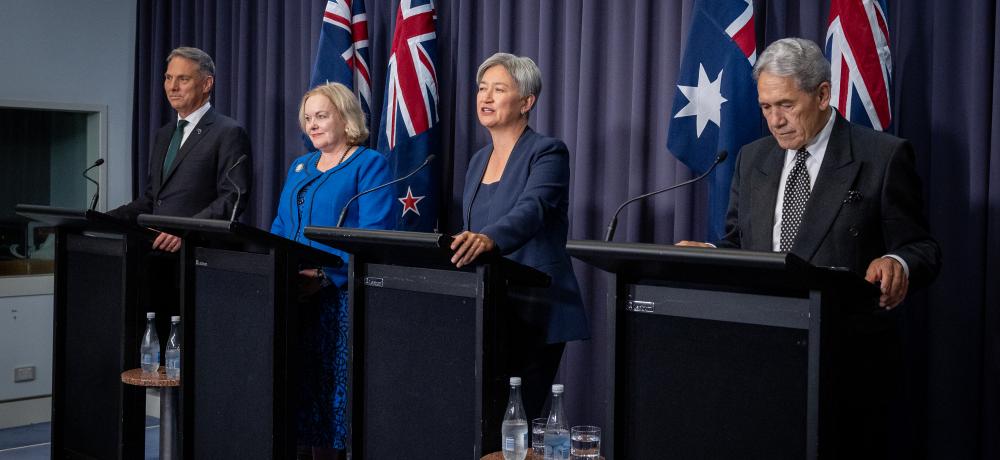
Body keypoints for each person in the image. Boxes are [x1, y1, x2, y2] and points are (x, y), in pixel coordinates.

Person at [679, 38, 941, 457]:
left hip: (844, 365)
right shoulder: (752, 158)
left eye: (786, 104)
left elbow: (921, 247)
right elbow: (739, 242)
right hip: (758, 356)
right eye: (766, 107)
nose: (775, 121)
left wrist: (898, 262)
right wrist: (709, 254)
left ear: (822, 95)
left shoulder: (882, 156)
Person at [450, 53, 590, 440]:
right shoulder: (478, 161)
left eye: (499, 89)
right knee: (480, 422)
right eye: (482, 88)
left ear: (526, 102)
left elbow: (533, 209)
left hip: (535, 308)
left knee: (515, 424)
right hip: (489, 308)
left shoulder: (548, 152)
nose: (486, 97)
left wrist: (490, 238)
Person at [270, 82, 394, 457]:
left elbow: (375, 234)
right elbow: (280, 226)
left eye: (321, 116)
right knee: (294, 397)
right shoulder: (300, 166)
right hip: (292, 295)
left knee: (330, 404)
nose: (312, 124)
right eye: (308, 118)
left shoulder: (369, 164)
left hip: (339, 302)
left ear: (345, 117)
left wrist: (326, 277)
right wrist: (277, 268)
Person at [109, 46, 252, 251]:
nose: (172, 87)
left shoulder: (228, 132)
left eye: (183, 79)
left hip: (199, 252)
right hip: (156, 251)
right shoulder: (164, 134)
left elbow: (231, 198)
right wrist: (102, 219)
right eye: (168, 78)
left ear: (207, 84)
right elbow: (152, 200)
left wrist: (185, 231)